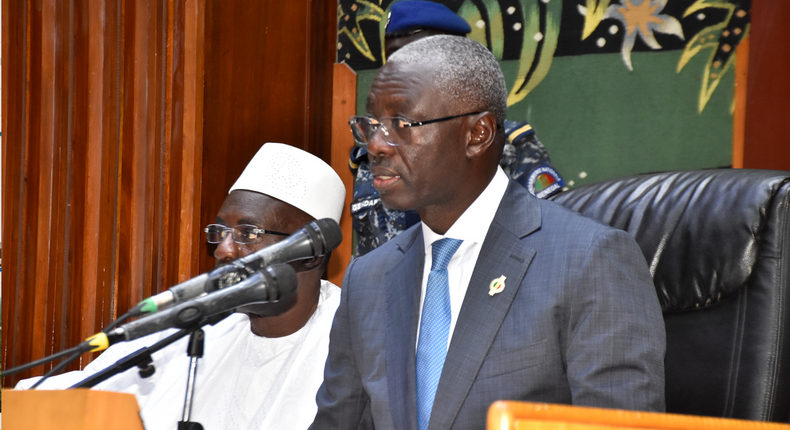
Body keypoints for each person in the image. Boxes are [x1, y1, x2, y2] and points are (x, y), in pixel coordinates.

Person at [311, 36, 665, 430]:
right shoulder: (368, 279)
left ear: (477, 134)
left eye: (402, 124)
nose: (375, 145)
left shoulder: (588, 259)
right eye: (372, 125)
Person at [17, 143, 347, 430]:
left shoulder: (351, 341)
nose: (223, 250)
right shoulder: (194, 323)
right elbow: (76, 395)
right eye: (220, 231)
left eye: (248, 234)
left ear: (310, 254)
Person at [350, 0, 564, 256]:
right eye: (394, 59)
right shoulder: (375, 155)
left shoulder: (508, 148)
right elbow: (370, 261)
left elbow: (551, 246)